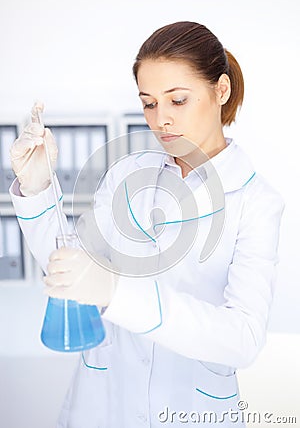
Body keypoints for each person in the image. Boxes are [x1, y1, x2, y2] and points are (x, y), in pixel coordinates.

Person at [9, 21, 284, 427]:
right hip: (104, 402)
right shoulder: (127, 174)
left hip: (191, 410)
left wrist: (117, 293)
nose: (161, 120)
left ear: (220, 90)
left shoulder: (257, 202)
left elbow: (242, 338)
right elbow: (69, 267)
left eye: (178, 100)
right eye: (149, 103)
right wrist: (37, 188)